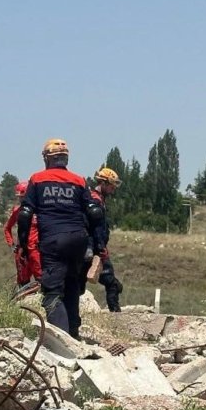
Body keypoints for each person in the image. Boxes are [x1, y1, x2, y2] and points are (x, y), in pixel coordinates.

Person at [17, 139, 104, 338]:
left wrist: (22, 242)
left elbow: (25, 213)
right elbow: (95, 212)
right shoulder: (79, 180)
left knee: (53, 292)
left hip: (53, 240)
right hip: (78, 240)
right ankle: (73, 332)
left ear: (47, 158)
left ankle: (61, 340)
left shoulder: (37, 179)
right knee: (72, 286)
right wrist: (98, 245)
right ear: (65, 159)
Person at [87, 167, 124, 312]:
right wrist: (101, 248)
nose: (113, 189)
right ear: (103, 183)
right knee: (113, 284)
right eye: (111, 186)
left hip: (91, 246)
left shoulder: (94, 198)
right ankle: (115, 315)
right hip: (95, 248)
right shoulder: (95, 200)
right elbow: (96, 228)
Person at [4, 181, 42, 290]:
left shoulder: (40, 210)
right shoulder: (17, 211)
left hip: (37, 250)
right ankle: (23, 303)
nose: (21, 200)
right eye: (19, 197)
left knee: (41, 279)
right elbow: (7, 228)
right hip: (22, 252)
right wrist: (11, 244)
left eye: (23, 197)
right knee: (23, 282)